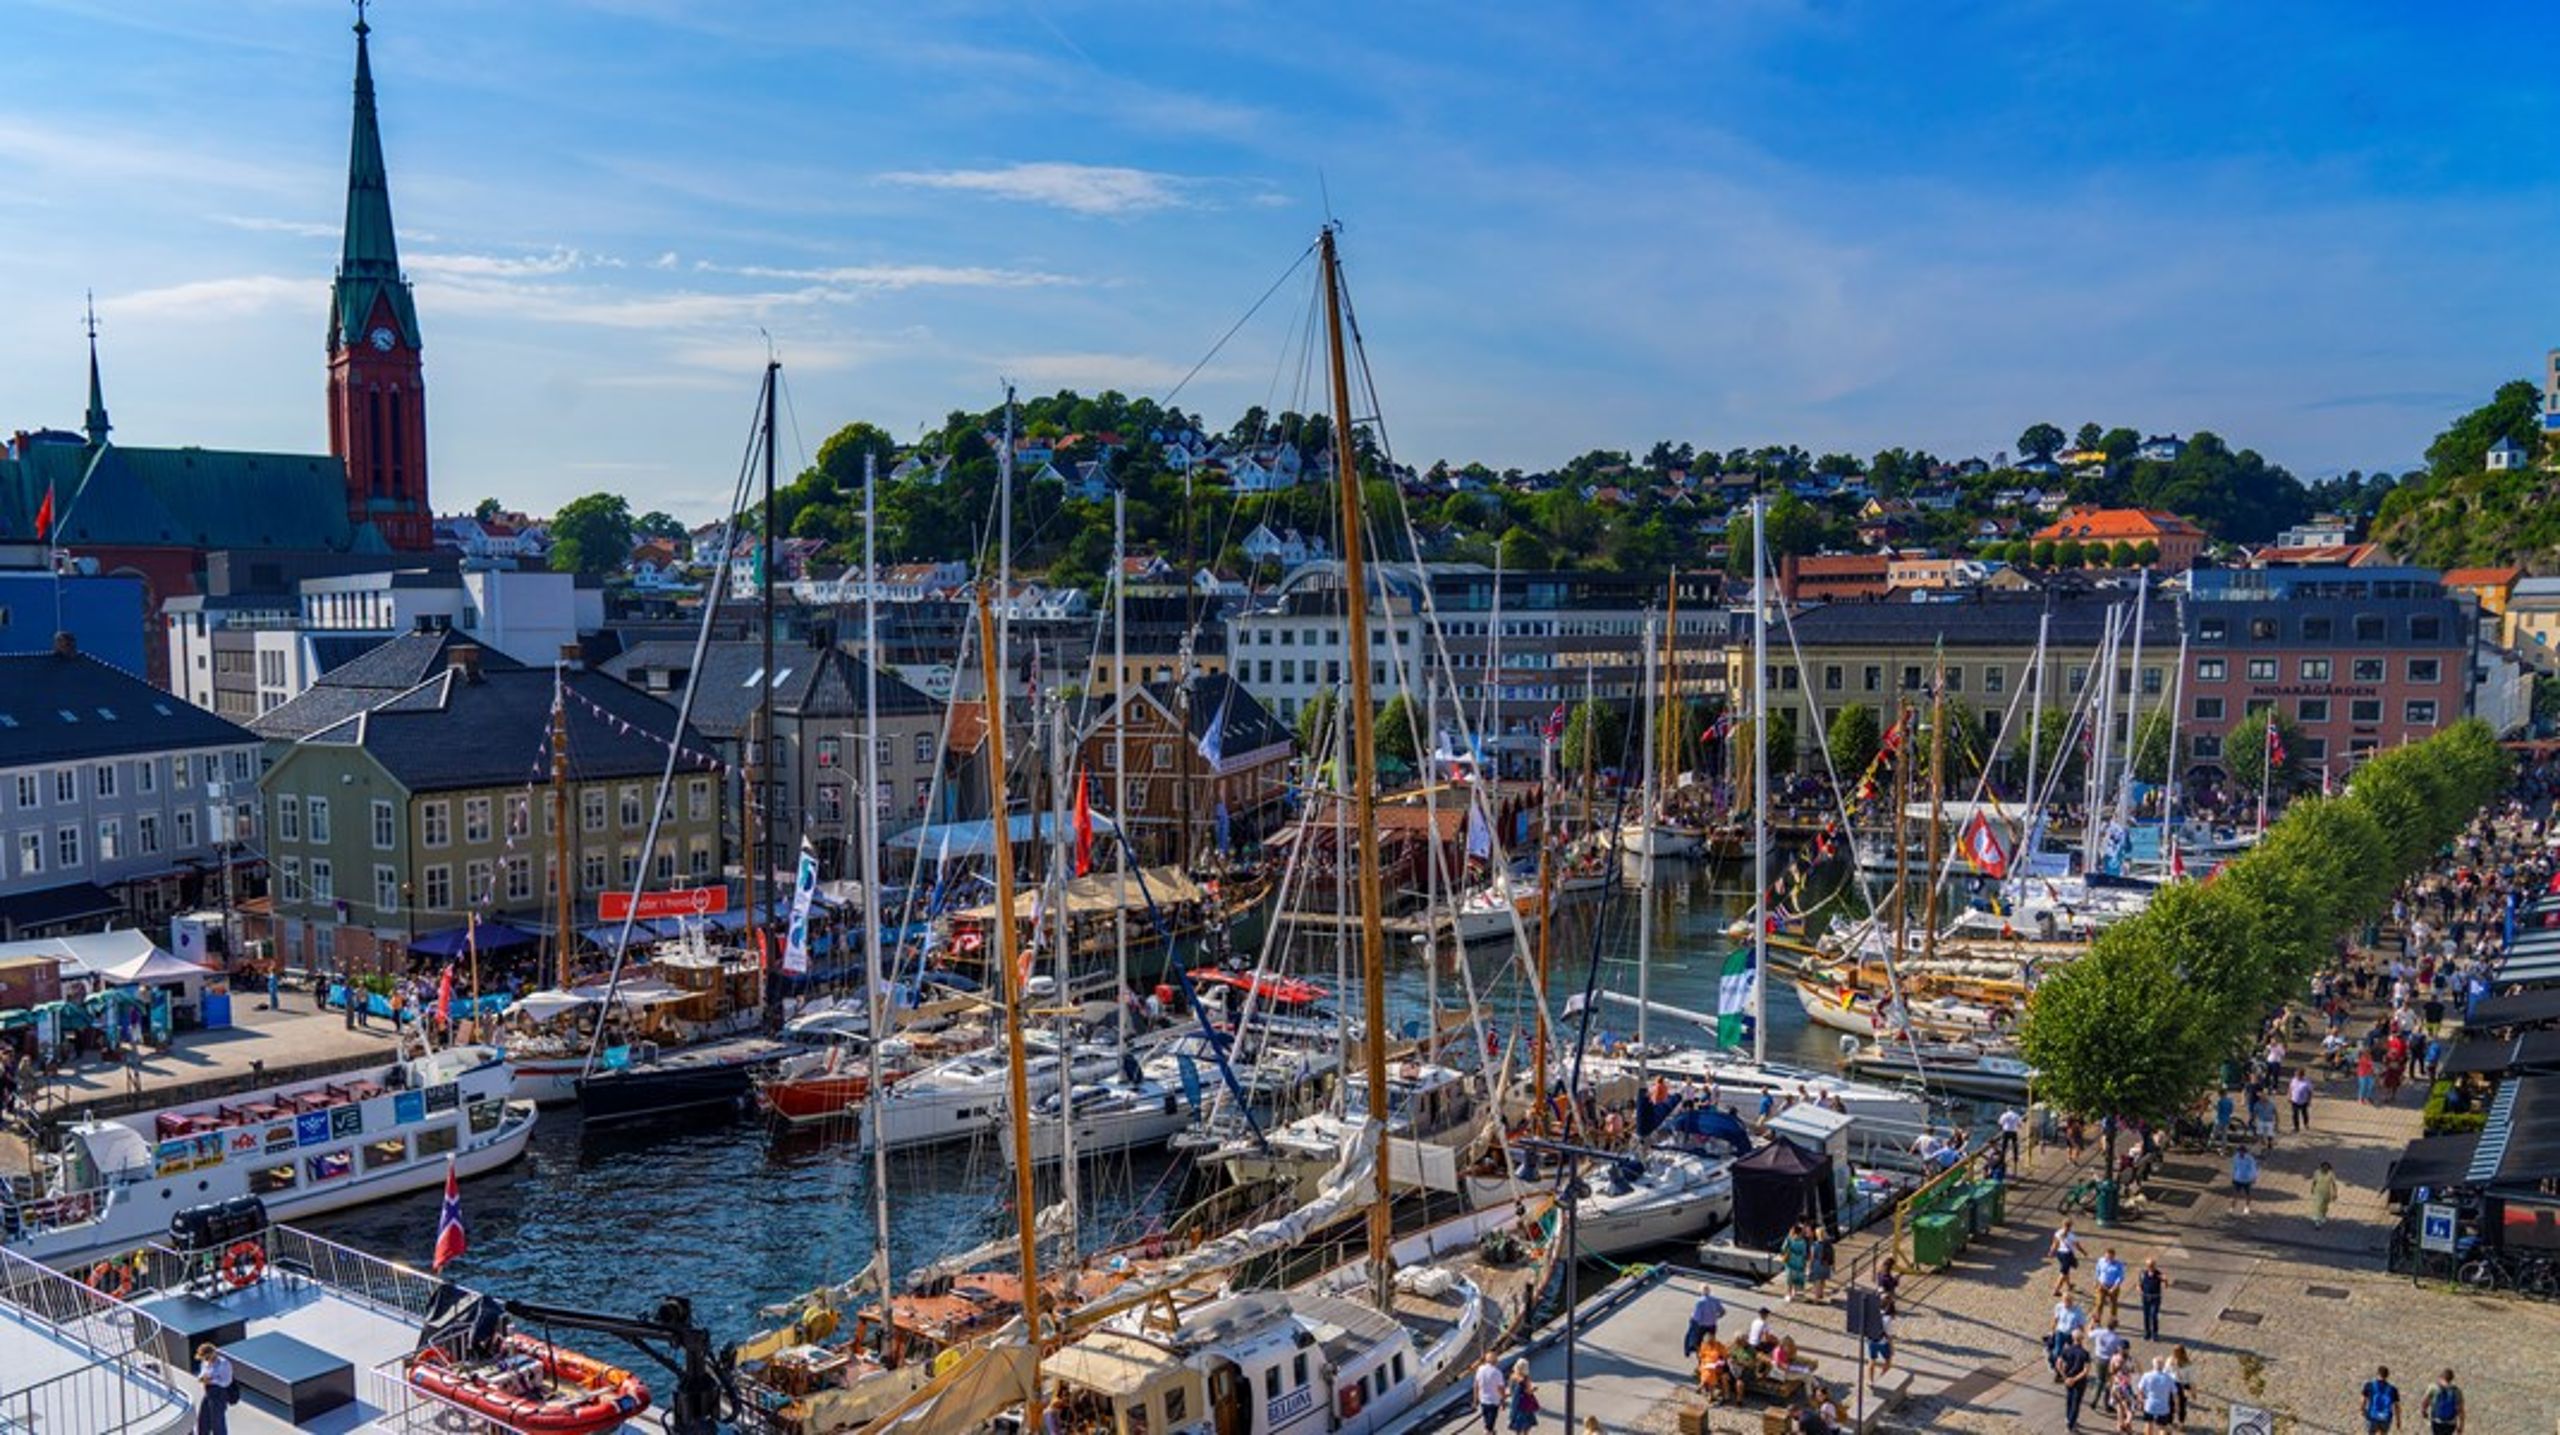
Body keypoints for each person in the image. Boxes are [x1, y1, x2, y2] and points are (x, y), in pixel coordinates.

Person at [2052, 1330, 2093, 1432]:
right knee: (2076, 1403)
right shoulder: (2085, 1353)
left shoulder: (2066, 1350)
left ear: (2073, 1338)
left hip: (2068, 1379)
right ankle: (2071, 1424)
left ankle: (2068, 1419)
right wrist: (2074, 1379)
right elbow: (2086, 1371)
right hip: (2079, 1382)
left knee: (2069, 1400)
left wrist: (2065, 1378)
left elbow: (2058, 1364)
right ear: (2082, 1339)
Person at [195, 1341, 234, 1435]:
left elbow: (226, 1381)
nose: (206, 1360)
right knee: (203, 1420)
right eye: (204, 1358)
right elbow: (202, 1371)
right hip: (208, 1392)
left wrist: (212, 1380)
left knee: (217, 1422)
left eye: (207, 1357)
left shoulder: (224, 1364)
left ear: (213, 1354)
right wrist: (201, 1378)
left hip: (219, 1393)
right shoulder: (205, 1362)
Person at [2136, 1357, 2179, 1434]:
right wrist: (2176, 1406)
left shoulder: (2146, 1376)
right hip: (2163, 1407)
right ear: (2163, 1366)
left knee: (2149, 1425)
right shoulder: (2169, 1378)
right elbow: (2175, 1393)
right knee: (2162, 1427)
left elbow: (2140, 1390)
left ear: (2153, 1365)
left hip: (2149, 1405)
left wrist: (2140, 1401)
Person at [1684, 1289, 1726, 1358]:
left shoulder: (1700, 1302)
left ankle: (1695, 1354)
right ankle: (1711, 1356)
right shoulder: (1715, 1300)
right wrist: (1716, 1317)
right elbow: (1723, 1312)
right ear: (1709, 1291)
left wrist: (1691, 1319)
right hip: (1712, 1325)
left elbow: (1696, 1317)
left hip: (1702, 1326)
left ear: (1701, 1292)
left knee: (1698, 1342)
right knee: (1711, 1342)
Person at [2422, 1368, 2463, 1435]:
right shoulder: (2456, 1391)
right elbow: (2460, 1410)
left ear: (2441, 1377)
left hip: (2436, 1422)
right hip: (2450, 1423)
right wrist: (2461, 1425)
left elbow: (2424, 1402)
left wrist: (2423, 1411)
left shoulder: (2433, 1388)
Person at [2092, 1248, 2126, 1326]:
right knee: (2099, 1303)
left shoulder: (2119, 1264)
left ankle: (2112, 1321)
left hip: (2113, 1286)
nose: (2108, 1258)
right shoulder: (2101, 1261)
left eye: (2110, 1257)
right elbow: (2097, 1272)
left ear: (2114, 1256)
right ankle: (2097, 1321)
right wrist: (2096, 1281)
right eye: (2107, 1256)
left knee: (2113, 1305)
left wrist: (2114, 1287)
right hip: (2101, 1286)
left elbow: (2120, 1277)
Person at [2362, 1365, 2400, 1433]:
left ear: (2377, 1374)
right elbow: (2396, 1407)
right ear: (2387, 1375)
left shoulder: (2369, 1385)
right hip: (2385, 1418)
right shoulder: (2392, 1389)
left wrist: (2362, 1410)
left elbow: (2363, 1400)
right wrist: (2398, 1420)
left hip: (2372, 1416)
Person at [1474, 1354, 1506, 1433]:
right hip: (1493, 1401)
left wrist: (1475, 1399)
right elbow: (1501, 1388)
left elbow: (1476, 1385)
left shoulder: (1480, 1369)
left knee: (1487, 1420)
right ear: (1495, 1361)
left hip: (1483, 1400)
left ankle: (1489, 1430)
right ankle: (1489, 1431)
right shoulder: (1497, 1372)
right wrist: (1503, 1400)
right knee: (1490, 1424)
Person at [2136, 1257, 2165, 1342]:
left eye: (2152, 1265)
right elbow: (2138, 1284)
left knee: (2153, 1315)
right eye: (2149, 1265)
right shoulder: (2143, 1274)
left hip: (2155, 1298)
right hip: (2145, 1297)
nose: (2151, 1267)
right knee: (2146, 1316)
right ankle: (2147, 1332)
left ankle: (2155, 1333)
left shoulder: (2158, 1274)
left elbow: (2166, 1285)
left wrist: (2166, 1280)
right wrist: (2139, 1289)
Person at [1506, 1361, 1540, 1433]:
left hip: (1515, 1402)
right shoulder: (1525, 1378)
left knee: (1517, 1424)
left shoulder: (1512, 1376)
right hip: (1525, 1404)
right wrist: (1534, 1389)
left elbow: (1510, 1389)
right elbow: (1528, 1391)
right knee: (1527, 1424)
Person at [2050, 1218, 2081, 1295]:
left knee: (2066, 1270)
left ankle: (2069, 1285)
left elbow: (2055, 1243)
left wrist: (2051, 1251)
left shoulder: (2058, 1232)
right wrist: (2084, 1253)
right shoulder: (2072, 1236)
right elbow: (2078, 1246)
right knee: (2063, 1273)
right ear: (2071, 1226)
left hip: (2059, 1254)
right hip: (2067, 1255)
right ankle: (2056, 1290)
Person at [1781, 1223, 1809, 1300]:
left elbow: (1783, 1249)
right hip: (1799, 1263)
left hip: (1790, 1263)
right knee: (1798, 1279)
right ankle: (1795, 1293)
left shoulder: (1789, 1239)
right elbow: (1804, 1254)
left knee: (1789, 1279)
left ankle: (1788, 1295)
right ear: (1799, 1232)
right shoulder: (1803, 1242)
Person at [2310, 1160, 2339, 1228]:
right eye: (2323, 1168)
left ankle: (2322, 1216)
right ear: (2321, 1167)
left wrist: (2335, 1193)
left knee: (2324, 1207)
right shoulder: (2317, 1173)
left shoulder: (2331, 1174)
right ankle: (2317, 1222)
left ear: (2329, 1168)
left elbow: (2334, 1184)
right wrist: (2312, 1188)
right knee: (2317, 1206)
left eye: (2326, 1168)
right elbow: (2314, 1181)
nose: (2325, 1169)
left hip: (2326, 1193)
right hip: (2318, 1192)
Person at [1806, 1231, 1834, 1301]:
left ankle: (1817, 1297)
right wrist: (1832, 1265)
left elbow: (1812, 1257)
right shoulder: (1828, 1244)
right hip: (1826, 1264)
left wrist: (1809, 1266)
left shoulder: (1814, 1245)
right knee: (1823, 1279)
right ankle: (1821, 1293)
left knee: (1817, 1281)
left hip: (1817, 1264)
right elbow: (1832, 1255)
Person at [2231, 1146, 2259, 1215]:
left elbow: (2253, 1169)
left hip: (2247, 1179)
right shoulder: (2236, 1158)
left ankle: (2247, 1207)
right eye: (2239, 1151)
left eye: (2242, 1151)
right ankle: (2232, 1207)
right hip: (2238, 1178)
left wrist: (2254, 1177)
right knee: (2235, 1194)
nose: (2241, 1153)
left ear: (2245, 1152)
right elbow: (2234, 1167)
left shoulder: (2249, 1159)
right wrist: (2233, 1176)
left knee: (2247, 1194)